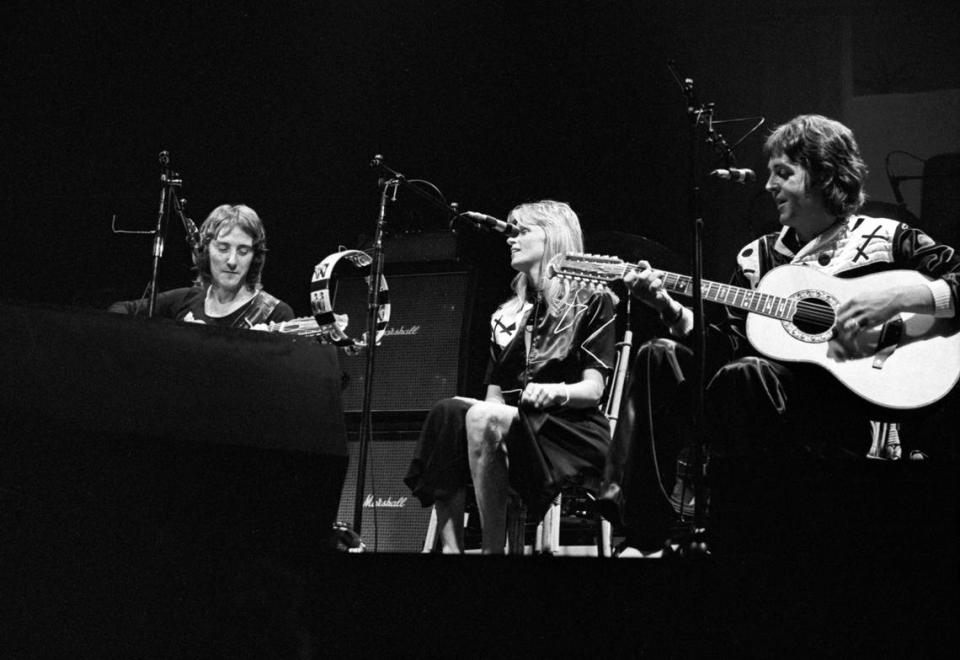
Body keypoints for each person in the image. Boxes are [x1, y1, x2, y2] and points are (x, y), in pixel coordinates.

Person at [599, 114, 960, 555]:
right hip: (754, 400)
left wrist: (898, 294)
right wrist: (672, 311)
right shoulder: (759, 258)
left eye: (783, 173)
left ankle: (749, 542)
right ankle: (642, 537)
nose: (769, 185)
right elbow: (726, 345)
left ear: (825, 174)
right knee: (659, 354)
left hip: (844, 407)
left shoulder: (889, 239)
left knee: (748, 374)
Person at [404, 200, 618, 553]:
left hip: (569, 428)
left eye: (521, 231)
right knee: (447, 413)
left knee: (482, 416)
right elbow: (494, 399)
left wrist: (554, 392)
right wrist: (487, 422)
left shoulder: (592, 301)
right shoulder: (508, 314)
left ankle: (493, 550)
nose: (510, 239)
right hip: (515, 425)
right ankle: (452, 552)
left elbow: (593, 391)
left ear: (552, 237)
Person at [109, 204, 294, 327]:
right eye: (222, 248)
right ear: (205, 251)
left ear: (255, 257)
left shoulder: (275, 314)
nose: (232, 260)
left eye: (243, 251)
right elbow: (118, 311)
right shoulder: (185, 300)